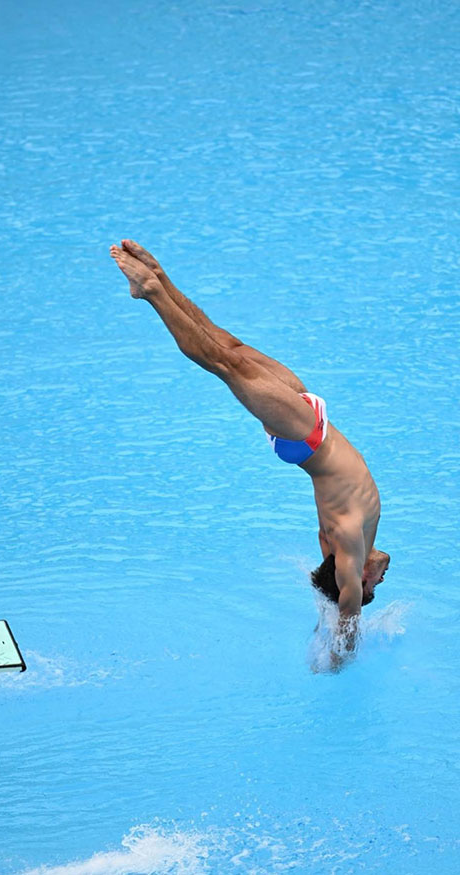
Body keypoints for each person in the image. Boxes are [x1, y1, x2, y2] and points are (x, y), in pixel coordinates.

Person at [110, 239, 390, 668]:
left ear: (355, 578)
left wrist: (339, 656)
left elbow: (347, 609)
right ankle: (160, 278)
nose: (381, 580)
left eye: (373, 588)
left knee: (222, 362)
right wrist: (331, 611)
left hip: (309, 436)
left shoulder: (348, 542)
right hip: (311, 417)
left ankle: (150, 292)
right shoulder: (351, 544)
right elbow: (372, 566)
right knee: (232, 346)